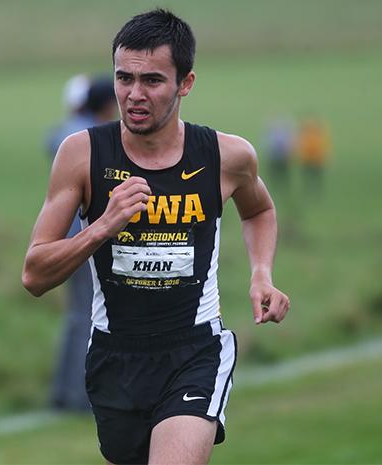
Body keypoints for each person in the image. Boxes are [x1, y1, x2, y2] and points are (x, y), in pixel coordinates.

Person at [22, 9, 290, 465]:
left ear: (185, 83)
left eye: (152, 80)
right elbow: (34, 275)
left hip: (194, 350)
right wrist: (104, 225)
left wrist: (261, 274)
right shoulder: (81, 155)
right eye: (124, 79)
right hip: (115, 356)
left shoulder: (226, 156)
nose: (134, 95)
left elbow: (259, 208)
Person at [46, 76, 118, 412]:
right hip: (84, 241)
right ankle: (81, 397)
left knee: (76, 317)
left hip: (62, 238)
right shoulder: (93, 140)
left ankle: (62, 392)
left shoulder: (66, 132)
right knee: (91, 317)